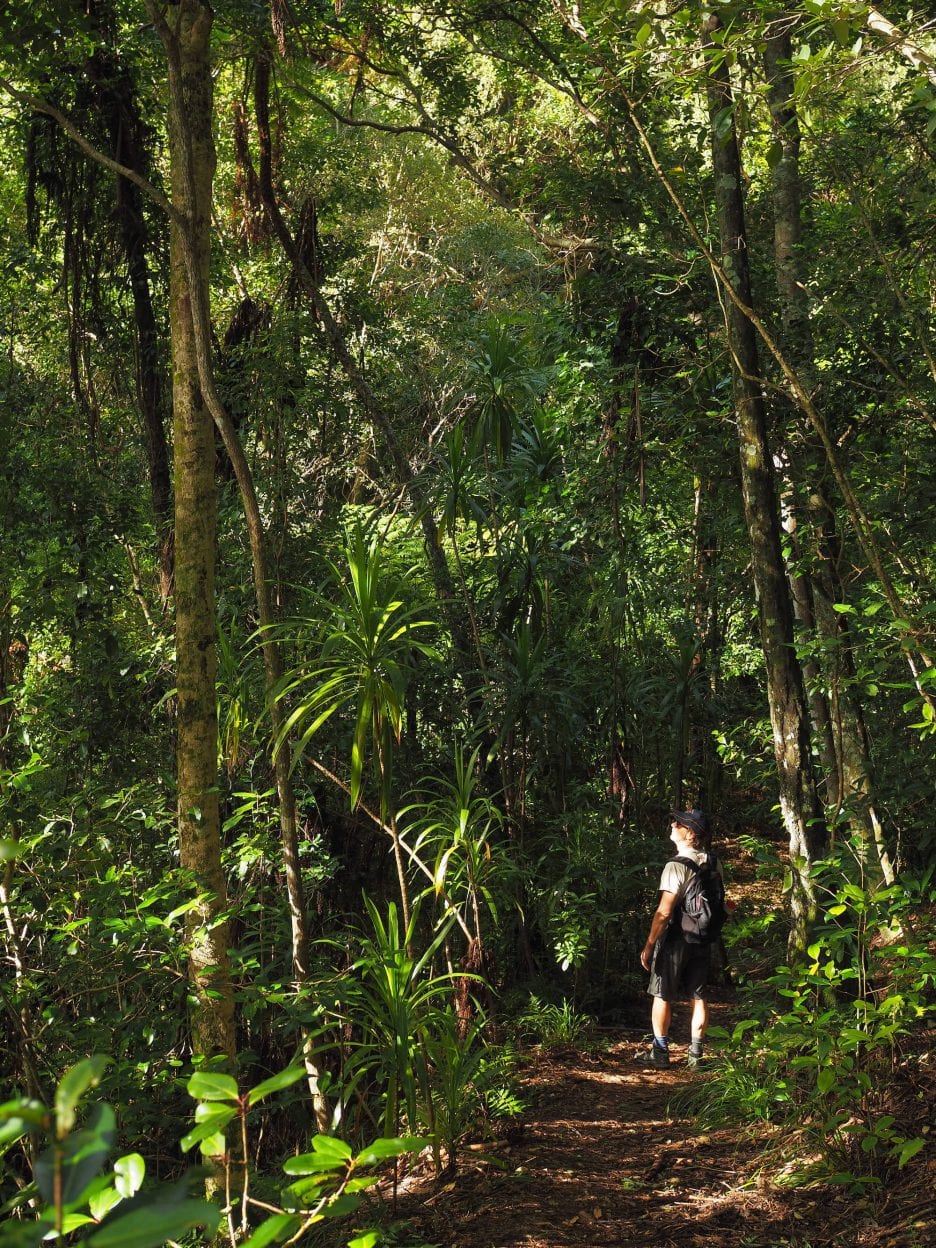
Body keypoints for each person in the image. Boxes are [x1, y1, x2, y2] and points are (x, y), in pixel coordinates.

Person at [639, 808, 723, 1069]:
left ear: (690, 834)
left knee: (662, 994)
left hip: (677, 938)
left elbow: (664, 912)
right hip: (704, 938)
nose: (674, 824)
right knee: (698, 996)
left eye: (680, 823)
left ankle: (660, 1052)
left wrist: (650, 944)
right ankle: (695, 1057)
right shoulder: (713, 861)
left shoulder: (676, 865)